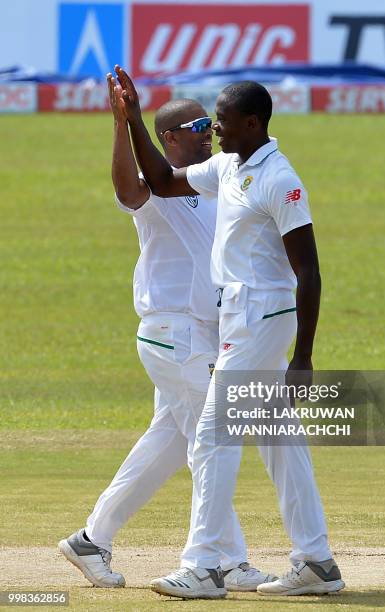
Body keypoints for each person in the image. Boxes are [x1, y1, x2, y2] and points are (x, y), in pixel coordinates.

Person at [116, 65, 345, 599]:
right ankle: (316, 562)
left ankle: (204, 567)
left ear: (252, 122)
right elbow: (162, 182)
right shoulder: (229, 166)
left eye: (220, 121)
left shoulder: (279, 178)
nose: (212, 130)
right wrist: (131, 121)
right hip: (242, 316)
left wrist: (303, 358)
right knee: (279, 442)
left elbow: (309, 272)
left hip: (262, 316)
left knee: (216, 434)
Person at [57, 73, 276, 594]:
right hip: (172, 334)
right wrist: (122, 124)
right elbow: (128, 189)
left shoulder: (207, 181)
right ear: (169, 138)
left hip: (204, 334)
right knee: (214, 439)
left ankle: (92, 538)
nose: (208, 132)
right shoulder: (156, 187)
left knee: (169, 447)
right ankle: (231, 562)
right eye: (197, 126)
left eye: (210, 124)